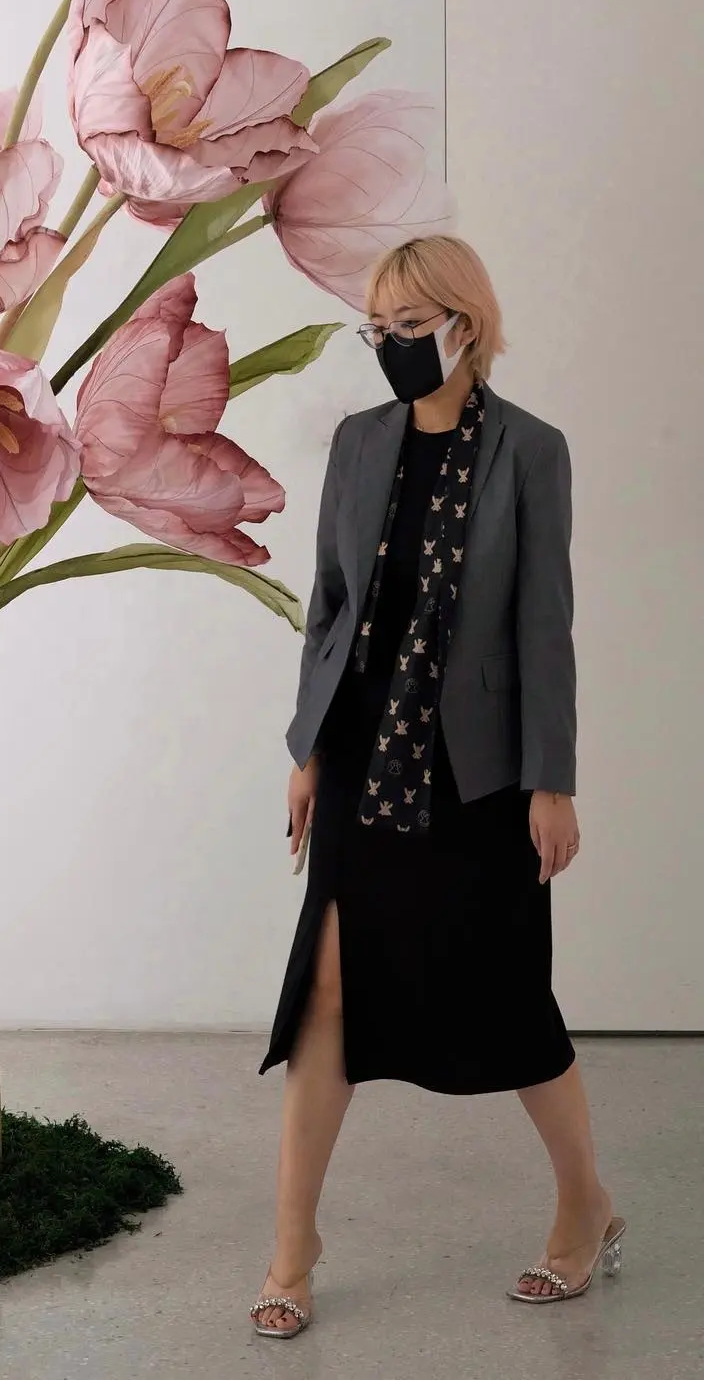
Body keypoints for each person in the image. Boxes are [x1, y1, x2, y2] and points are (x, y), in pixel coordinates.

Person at [250, 235, 623, 1340]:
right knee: (327, 994)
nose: (394, 346)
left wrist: (551, 781)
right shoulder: (360, 446)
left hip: (481, 774)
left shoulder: (530, 451)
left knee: (510, 1001)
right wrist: (307, 748)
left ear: (466, 323)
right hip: (366, 757)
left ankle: (585, 1203)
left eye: (413, 325)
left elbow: (543, 630)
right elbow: (327, 606)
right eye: (380, 328)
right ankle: (291, 1247)